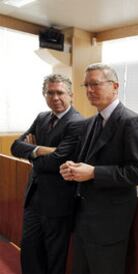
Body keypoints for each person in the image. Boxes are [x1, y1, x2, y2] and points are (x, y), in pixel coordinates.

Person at [60, 63, 138, 274]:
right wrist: (72, 169)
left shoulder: (131, 121)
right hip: (84, 218)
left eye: (95, 84)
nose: (90, 91)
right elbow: (88, 160)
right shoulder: (91, 121)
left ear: (115, 86)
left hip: (109, 222)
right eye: (86, 85)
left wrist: (93, 172)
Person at [11, 74, 83, 274]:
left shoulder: (77, 122)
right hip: (34, 198)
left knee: (54, 257)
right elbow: (15, 146)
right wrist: (44, 150)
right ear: (44, 95)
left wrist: (34, 152)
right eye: (50, 93)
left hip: (58, 202)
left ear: (71, 95)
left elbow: (57, 161)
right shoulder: (42, 117)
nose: (55, 97)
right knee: (30, 251)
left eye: (60, 92)